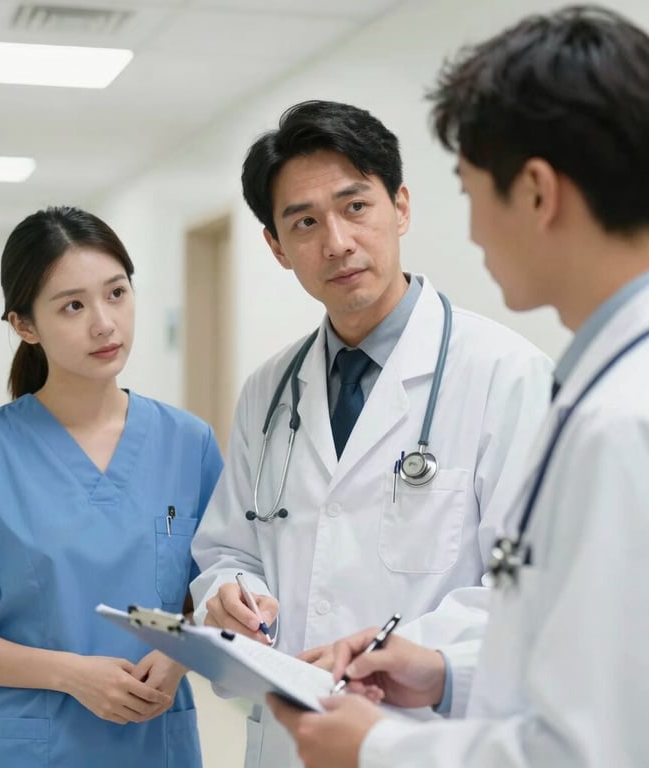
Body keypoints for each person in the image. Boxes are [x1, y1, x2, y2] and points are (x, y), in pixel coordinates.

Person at [267, 6, 649, 766]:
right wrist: (444, 674)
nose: (471, 231)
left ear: (537, 193)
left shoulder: (620, 420)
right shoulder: (605, 391)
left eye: (471, 192)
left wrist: (375, 748)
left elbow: (592, 749)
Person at [190, 99, 552, 767]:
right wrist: (224, 598)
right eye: (304, 222)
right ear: (276, 246)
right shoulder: (268, 391)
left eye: (355, 207)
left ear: (401, 208)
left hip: (418, 738)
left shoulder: (507, 375)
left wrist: (405, 655)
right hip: (287, 739)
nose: (337, 242)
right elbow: (227, 551)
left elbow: (529, 589)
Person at [0, 206, 223, 768]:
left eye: (116, 293)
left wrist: (177, 658)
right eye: (73, 305)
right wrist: (72, 675)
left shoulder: (188, 443)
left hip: (154, 742)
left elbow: (211, 596)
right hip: (26, 745)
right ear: (25, 325)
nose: (103, 323)